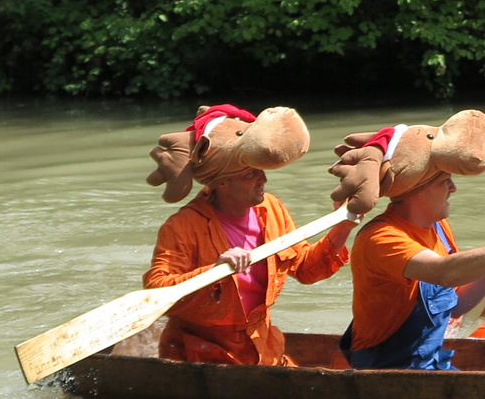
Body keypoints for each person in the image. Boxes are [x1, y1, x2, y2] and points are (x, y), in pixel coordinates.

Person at [144, 105, 353, 366]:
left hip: (263, 347)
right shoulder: (183, 225)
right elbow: (155, 292)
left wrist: (342, 225)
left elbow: (306, 270)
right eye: (250, 173)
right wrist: (213, 271)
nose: (263, 178)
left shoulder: (271, 208)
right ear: (221, 182)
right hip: (200, 355)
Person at [345, 172, 485, 370]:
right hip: (385, 368)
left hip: (430, 362)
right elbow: (445, 273)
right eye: (444, 181)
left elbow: (455, 305)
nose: (454, 187)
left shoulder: (438, 227)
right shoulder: (381, 238)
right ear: (415, 188)